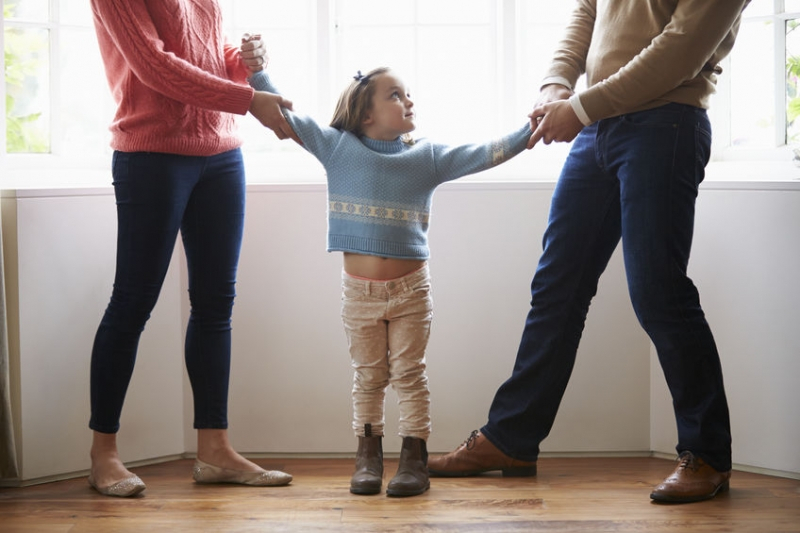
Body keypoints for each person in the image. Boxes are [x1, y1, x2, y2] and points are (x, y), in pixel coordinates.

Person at [427, 0, 750, 504]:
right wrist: (556, 86)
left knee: (659, 292)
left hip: (664, 125)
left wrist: (578, 108)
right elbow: (586, 13)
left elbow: (681, 50)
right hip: (599, 128)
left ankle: (707, 454)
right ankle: (511, 439)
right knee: (557, 287)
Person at [240, 46, 532, 496]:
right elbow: (287, 117)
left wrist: (534, 128)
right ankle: (368, 455)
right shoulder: (338, 147)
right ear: (365, 114)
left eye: (408, 93)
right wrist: (258, 71)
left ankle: (414, 457)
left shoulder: (427, 156)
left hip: (412, 290)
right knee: (369, 374)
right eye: (395, 95)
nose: (408, 101)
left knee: (410, 373)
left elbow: (486, 153)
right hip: (359, 294)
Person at [88, 1, 299, 497]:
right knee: (132, 303)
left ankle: (215, 451)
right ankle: (103, 455)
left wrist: (245, 60)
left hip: (222, 155)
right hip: (152, 155)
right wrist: (248, 99)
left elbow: (205, 53)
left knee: (214, 305)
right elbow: (154, 65)